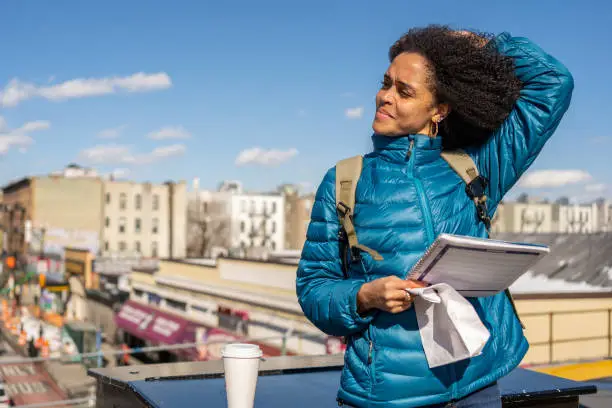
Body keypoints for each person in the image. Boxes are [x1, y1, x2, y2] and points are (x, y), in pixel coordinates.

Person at [296, 25, 573, 408]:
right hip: (389, 395)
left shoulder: (475, 168)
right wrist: (362, 295)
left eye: (403, 91)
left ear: (439, 109)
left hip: (477, 385)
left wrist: (483, 45)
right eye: (385, 83)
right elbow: (313, 288)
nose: (384, 97)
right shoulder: (345, 180)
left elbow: (553, 84)